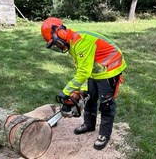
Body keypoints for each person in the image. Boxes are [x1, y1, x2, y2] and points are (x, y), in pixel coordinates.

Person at [41, 17, 127, 150]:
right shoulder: (73, 45)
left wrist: (66, 91)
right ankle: (89, 124)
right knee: (89, 97)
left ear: (61, 33)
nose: (58, 47)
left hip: (110, 68)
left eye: (56, 43)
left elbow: (83, 72)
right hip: (96, 70)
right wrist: (83, 89)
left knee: (106, 103)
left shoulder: (81, 42)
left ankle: (104, 134)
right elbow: (82, 68)